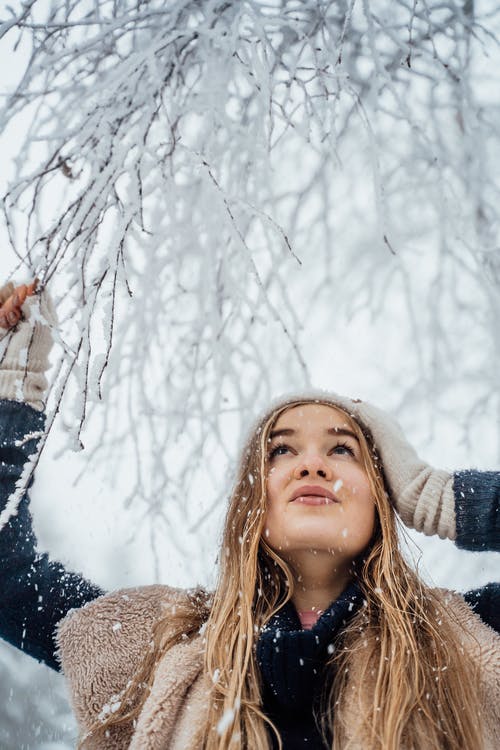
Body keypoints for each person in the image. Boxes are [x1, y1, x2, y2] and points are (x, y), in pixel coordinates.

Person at [0, 281, 498, 750]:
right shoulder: (161, 641)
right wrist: (12, 391)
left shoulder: (468, 639)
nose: (312, 463)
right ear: (250, 506)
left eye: (343, 450)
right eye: (281, 451)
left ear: (383, 497)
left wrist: (441, 497)